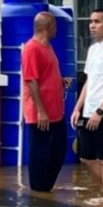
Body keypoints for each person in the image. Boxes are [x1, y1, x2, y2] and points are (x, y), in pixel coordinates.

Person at [70, 8, 103, 205]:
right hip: (88, 110)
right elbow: (89, 81)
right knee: (86, 157)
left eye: (97, 21)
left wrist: (100, 111)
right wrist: (77, 108)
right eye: (91, 21)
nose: (92, 25)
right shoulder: (93, 49)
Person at [21, 11, 71, 192]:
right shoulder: (32, 48)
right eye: (55, 25)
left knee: (58, 148)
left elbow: (45, 75)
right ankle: (38, 189)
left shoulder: (48, 47)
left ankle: (46, 187)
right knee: (40, 151)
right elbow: (31, 80)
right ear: (48, 26)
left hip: (56, 111)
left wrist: (59, 82)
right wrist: (41, 111)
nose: (57, 29)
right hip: (41, 113)